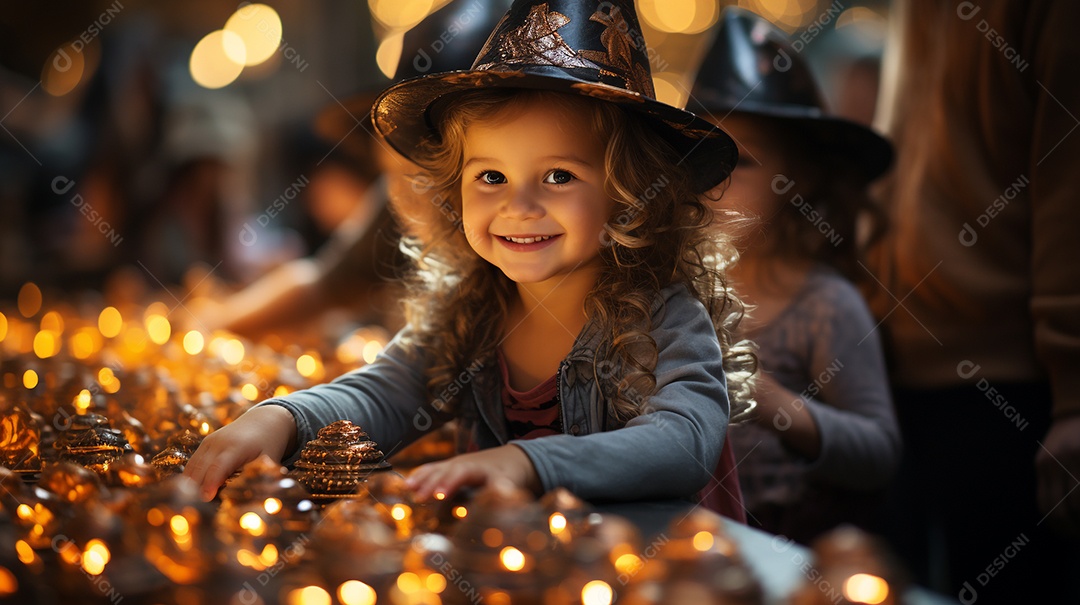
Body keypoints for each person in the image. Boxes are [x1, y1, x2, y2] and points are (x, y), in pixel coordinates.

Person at [185, 0, 753, 508]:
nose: (519, 205)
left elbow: (684, 442)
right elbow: (386, 390)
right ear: (453, 191)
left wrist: (529, 463)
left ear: (629, 196)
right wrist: (282, 418)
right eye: (491, 176)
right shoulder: (468, 309)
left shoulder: (663, 317)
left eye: (558, 175)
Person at [865, 0, 1080, 601]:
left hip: (1014, 388)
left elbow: (1069, 178)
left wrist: (1074, 393)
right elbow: (904, 159)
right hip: (900, 363)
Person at [687, 8, 900, 544]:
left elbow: (879, 453)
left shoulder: (823, 304)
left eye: (743, 160)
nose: (716, 181)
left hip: (788, 555)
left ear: (797, 180)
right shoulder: (673, 291)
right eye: (703, 155)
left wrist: (775, 405)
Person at [194, 0, 512, 337]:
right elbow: (324, 286)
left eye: (428, 173)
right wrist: (211, 326)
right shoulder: (403, 203)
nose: (406, 196)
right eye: (390, 172)